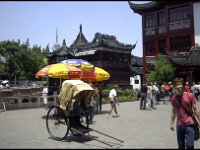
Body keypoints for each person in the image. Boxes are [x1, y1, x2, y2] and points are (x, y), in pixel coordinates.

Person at [170, 78, 200, 149]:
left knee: (189, 145)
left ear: (183, 86)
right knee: (181, 146)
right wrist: (171, 123)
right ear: (174, 86)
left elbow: (196, 109)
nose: (178, 86)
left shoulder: (190, 96)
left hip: (190, 124)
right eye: (176, 85)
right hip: (180, 125)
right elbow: (173, 111)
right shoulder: (174, 98)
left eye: (180, 84)